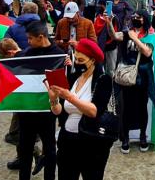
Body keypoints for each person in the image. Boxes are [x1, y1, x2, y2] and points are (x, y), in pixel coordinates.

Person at [50, 38, 114, 180]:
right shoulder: (73, 78)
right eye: (76, 59)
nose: (77, 63)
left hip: (91, 143)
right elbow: (59, 111)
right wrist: (53, 99)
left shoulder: (103, 80)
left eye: (81, 60)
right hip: (67, 140)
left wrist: (70, 97)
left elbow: (94, 111)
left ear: (92, 60)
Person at [12, 20, 65, 180]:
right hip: (27, 111)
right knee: (24, 149)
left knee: (49, 149)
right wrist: (0, 68)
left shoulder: (58, 54)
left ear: (41, 37)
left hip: (46, 111)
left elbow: (63, 85)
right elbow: (12, 66)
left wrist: (68, 64)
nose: (27, 42)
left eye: (30, 38)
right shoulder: (28, 53)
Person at [118, 10, 155, 153]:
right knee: (127, 107)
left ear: (145, 19)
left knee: (142, 107)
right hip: (128, 76)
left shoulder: (151, 35)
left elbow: (148, 52)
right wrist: (109, 22)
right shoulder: (127, 32)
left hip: (143, 77)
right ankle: (126, 137)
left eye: (138, 17)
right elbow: (114, 37)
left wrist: (135, 38)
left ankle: (142, 136)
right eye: (133, 17)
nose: (135, 19)